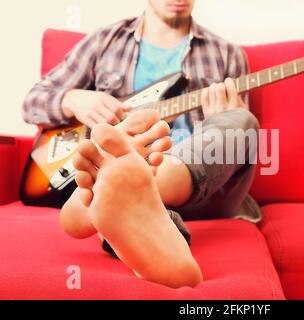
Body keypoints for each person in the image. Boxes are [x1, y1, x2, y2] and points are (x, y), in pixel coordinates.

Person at [22, 0, 261, 288]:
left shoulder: (227, 53)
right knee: (125, 198)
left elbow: (236, 148)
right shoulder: (104, 41)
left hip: (204, 186)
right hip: (132, 174)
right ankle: (141, 207)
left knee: (242, 122)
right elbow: (33, 100)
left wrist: (221, 116)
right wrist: (74, 98)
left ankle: (128, 188)